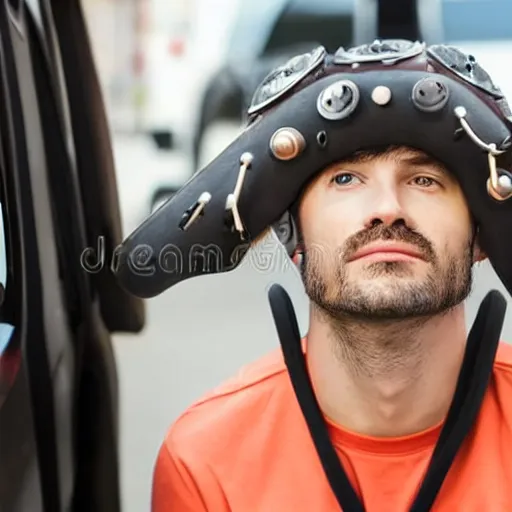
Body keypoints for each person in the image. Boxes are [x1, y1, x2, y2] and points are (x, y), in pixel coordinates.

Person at [113, 39, 512, 511]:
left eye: (424, 180)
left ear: (482, 234)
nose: (387, 209)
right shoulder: (205, 462)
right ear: (290, 236)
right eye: (345, 179)